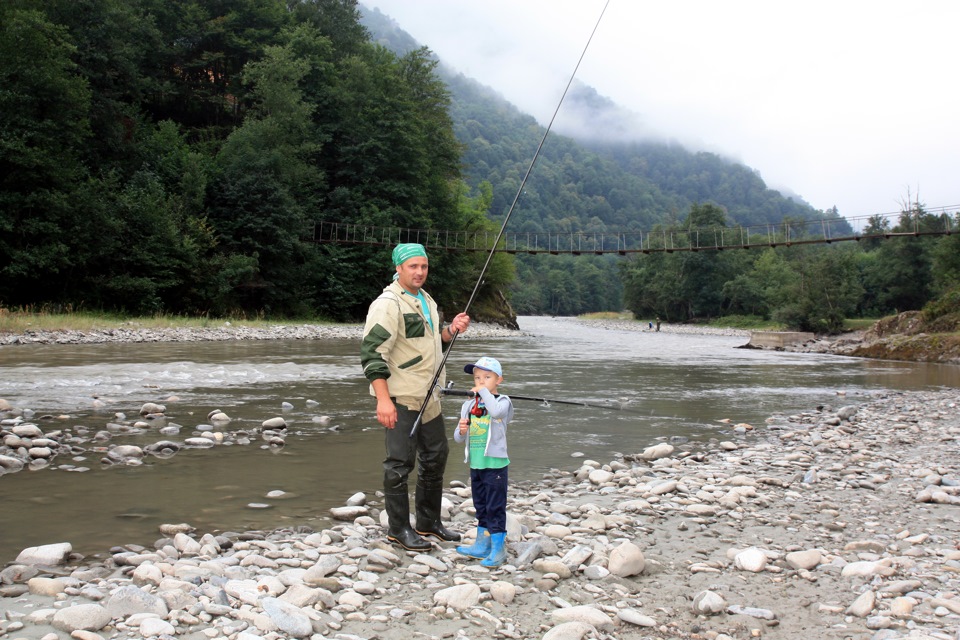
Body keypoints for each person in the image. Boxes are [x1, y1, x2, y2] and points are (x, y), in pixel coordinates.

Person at [360, 243, 471, 551]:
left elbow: (432, 340)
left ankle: (429, 522)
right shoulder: (387, 304)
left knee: (436, 456)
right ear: (399, 268)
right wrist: (383, 400)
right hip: (401, 397)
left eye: (423, 266)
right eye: (413, 266)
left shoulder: (426, 300)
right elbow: (372, 354)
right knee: (399, 464)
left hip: (430, 397)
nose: (420, 272)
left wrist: (451, 330)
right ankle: (398, 530)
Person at [454, 356, 514, 567]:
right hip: (477, 464)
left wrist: (484, 392)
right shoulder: (469, 405)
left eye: (487, 377)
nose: (480, 381)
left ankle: (498, 549)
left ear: (499, 380)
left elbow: (496, 412)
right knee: (480, 505)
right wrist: (462, 430)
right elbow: (458, 437)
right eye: (477, 377)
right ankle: (482, 544)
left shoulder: (503, 402)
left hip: (495, 465)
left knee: (494, 506)